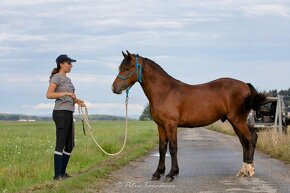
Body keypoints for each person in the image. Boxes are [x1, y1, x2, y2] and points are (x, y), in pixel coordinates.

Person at [46, 54, 85, 180]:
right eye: (69, 63)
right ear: (61, 64)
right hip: (60, 113)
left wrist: (77, 101)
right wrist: (66, 93)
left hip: (69, 112)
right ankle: (57, 175)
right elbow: (49, 94)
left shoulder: (69, 80)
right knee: (61, 143)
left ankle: (62, 173)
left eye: (71, 63)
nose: (71, 65)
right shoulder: (56, 78)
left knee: (70, 145)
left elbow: (69, 97)